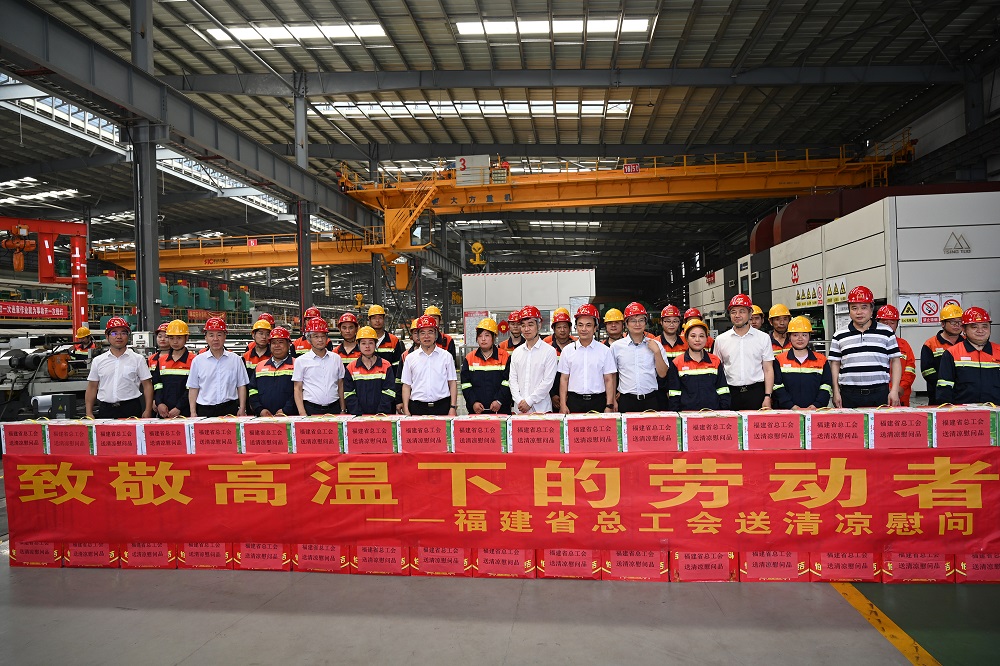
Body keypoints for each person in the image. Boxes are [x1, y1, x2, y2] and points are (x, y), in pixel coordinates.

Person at [828, 286, 902, 408]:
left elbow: (895, 361)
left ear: (872, 309)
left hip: (880, 393)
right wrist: (835, 392)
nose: (859, 312)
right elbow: (835, 364)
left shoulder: (887, 332)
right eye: (854, 308)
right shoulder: (839, 335)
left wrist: (894, 390)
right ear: (849, 310)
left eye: (864, 307)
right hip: (849, 394)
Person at [713, 294, 775, 411]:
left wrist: (768, 396)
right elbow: (717, 370)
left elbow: (768, 369)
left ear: (750, 313)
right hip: (730, 392)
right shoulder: (721, 340)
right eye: (733, 312)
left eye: (742, 311)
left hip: (756, 393)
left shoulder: (763, 338)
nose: (737, 315)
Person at [85, 317, 153, 419]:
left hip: (131, 408)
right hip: (106, 410)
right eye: (114, 333)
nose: (119, 337)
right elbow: (92, 387)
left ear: (128, 336)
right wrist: (89, 412)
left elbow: (147, 385)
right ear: (107, 336)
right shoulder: (98, 361)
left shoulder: (138, 359)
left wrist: (148, 410)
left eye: (123, 333)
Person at [611, 302, 669, 412]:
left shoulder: (656, 345)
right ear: (626, 324)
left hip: (651, 399)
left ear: (645, 323)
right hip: (626, 400)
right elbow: (612, 375)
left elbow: (662, 374)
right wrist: (612, 399)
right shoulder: (616, 347)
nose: (637, 324)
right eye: (633, 320)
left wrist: (657, 352)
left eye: (641, 320)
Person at [558, 304, 616, 414]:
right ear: (576, 327)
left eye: (588, 325)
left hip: (598, 401)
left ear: (595, 328)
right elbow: (564, 379)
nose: (584, 329)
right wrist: (563, 405)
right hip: (574, 402)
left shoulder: (605, 351)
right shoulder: (567, 350)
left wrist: (609, 405)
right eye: (580, 325)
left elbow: (609, 379)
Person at [187, 317, 249, 417]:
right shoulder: (198, 361)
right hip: (205, 410)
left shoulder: (236, 360)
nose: (215, 339)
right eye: (211, 335)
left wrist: (242, 408)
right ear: (206, 337)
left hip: (229, 409)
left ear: (225, 336)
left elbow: (241, 385)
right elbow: (193, 387)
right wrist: (193, 412)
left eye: (219, 335)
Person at [936, 307, 999, 405]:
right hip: (962, 411)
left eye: (985, 326)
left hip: (995, 410)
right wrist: (948, 409)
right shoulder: (952, 353)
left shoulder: (998, 351)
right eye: (974, 327)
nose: (980, 330)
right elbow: (944, 388)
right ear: (964, 329)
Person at [667, 318, 730, 411]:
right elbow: (674, 394)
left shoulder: (715, 361)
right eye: (693, 336)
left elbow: (723, 390)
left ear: (706, 338)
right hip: (687, 415)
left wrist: (723, 412)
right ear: (686, 338)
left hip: (712, 414)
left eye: (701, 336)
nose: (697, 340)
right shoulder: (677, 363)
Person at [401, 315, 458, 416]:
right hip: (417, 408)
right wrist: (406, 408)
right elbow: (406, 385)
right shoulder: (410, 358)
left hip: (442, 407)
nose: (426, 336)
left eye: (430, 332)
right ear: (418, 336)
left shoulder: (446, 356)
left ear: (436, 335)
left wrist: (452, 407)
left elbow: (452, 383)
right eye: (422, 333)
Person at [771, 317, 832, 410]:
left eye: (804, 335)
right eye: (795, 335)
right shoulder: (779, 360)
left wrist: (816, 405)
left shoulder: (821, 360)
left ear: (809, 337)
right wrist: (791, 406)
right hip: (786, 411)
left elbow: (826, 385)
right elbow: (777, 385)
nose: (800, 339)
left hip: (815, 411)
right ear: (789, 337)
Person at [508, 305, 559, 414]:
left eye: (530, 325)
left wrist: (529, 401)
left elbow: (548, 382)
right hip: (520, 410)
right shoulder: (517, 352)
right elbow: (512, 380)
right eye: (523, 325)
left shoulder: (549, 351)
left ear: (539, 325)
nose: (526, 329)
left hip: (542, 410)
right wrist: (519, 400)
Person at [293, 317, 345, 416]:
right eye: (316, 336)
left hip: (334, 408)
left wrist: (343, 409)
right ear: (309, 338)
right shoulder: (301, 361)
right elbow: (297, 388)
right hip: (311, 409)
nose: (320, 340)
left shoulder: (336, 359)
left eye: (323, 336)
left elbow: (340, 385)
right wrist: (302, 413)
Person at [460, 318, 512, 415]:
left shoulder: (505, 357)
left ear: (494, 337)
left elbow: (508, 382)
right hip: (476, 412)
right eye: (480, 336)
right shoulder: (470, 358)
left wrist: (499, 401)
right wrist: (473, 402)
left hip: (501, 412)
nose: (483, 339)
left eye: (487, 335)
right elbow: (465, 384)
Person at [344, 326, 397, 416]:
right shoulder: (351, 367)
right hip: (358, 417)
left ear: (375, 344)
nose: (367, 346)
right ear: (358, 345)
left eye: (371, 343)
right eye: (363, 343)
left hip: (382, 416)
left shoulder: (386, 366)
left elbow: (389, 392)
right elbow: (349, 393)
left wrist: (380, 413)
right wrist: (358, 414)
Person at [920, 304, 965, 405]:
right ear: (943, 323)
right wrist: (947, 385)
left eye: (960, 322)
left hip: (964, 394)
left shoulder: (967, 343)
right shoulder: (930, 344)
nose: (957, 325)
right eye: (953, 322)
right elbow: (927, 372)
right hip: (938, 395)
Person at [249, 326, 297, 417]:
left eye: (281, 342)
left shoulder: (297, 365)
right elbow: (252, 390)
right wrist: (260, 410)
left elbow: (300, 391)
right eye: (274, 343)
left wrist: (286, 410)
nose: (277, 346)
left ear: (288, 344)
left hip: (290, 417)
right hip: (263, 418)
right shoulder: (260, 366)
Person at [876, 305, 917, 406]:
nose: (889, 326)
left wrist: (900, 387)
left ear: (897, 324)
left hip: (901, 396)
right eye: (885, 323)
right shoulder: (872, 344)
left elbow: (910, 370)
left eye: (892, 323)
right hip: (878, 395)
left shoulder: (904, 345)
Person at [154, 319, 194, 418]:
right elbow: (157, 384)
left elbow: (192, 388)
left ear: (186, 338)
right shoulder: (161, 360)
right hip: (164, 412)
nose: (175, 342)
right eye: (171, 338)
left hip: (186, 412)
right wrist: (159, 403)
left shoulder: (193, 360)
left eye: (179, 338)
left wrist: (179, 407)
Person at [369, 304, 405, 405]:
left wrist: (398, 397)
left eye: (380, 318)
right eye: (374, 318)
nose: (377, 321)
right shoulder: (363, 341)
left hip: (389, 390)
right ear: (369, 320)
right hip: (368, 388)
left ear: (384, 319)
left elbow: (398, 371)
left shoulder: (393, 340)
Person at [544, 308, 577, 411]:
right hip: (551, 396)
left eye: (565, 327)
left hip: (574, 396)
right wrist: (552, 395)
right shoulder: (547, 349)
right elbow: (543, 374)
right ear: (554, 329)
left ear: (570, 328)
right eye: (559, 327)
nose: (562, 330)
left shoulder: (577, 347)